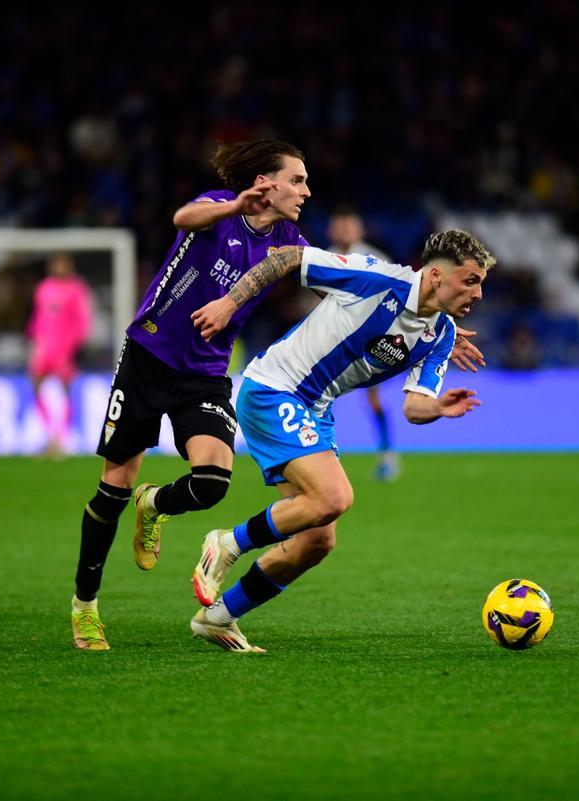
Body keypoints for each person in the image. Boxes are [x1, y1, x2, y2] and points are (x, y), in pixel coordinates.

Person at [69, 141, 486, 651]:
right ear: (266, 183)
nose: (307, 191)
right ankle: (87, 607)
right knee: (113, 487)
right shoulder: (219, 207)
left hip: (207, 372)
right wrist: (233, 230)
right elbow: (184, 216)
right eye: (298, 180)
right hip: (151, 356)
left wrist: (432, 367)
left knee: (261, 507)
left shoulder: (295, 240)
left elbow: (318, 278)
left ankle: (202, 588)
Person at [185, 230, 495, 652]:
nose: (477, 293)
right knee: (334, 496)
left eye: (480, 283)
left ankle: (219, 618)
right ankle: (226, 543)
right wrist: (228, 303)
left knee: (316, 540)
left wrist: (438, 408)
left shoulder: (440, 335)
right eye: (470, 280)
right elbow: (289, 258)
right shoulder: (377, 278)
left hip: (315, 408)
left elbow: (414, 408)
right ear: (437, 275)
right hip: (274, 388)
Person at [326, 205, 399, 481]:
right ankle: (323, 456)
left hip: (370, 340)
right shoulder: (325, 256)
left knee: (374, 400)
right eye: (339, 225)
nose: (344, 230)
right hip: (333, 340)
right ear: (332, 229)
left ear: (359, 229)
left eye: (349, 225)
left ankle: (387, 455)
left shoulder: (375, 258)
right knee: (320, 398)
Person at [26, 254, 93, 456]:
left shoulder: (77, 289)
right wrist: (35, 344)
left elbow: (83, 321)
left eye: (62, 264)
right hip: (44, 347)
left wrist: (74, 347)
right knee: (36, 386)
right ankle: (49, 435)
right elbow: (37, 319)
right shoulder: (44, 288)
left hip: (64, 349)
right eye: (55, 264)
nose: (58, 267)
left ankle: (60, 439)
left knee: (65, 392)